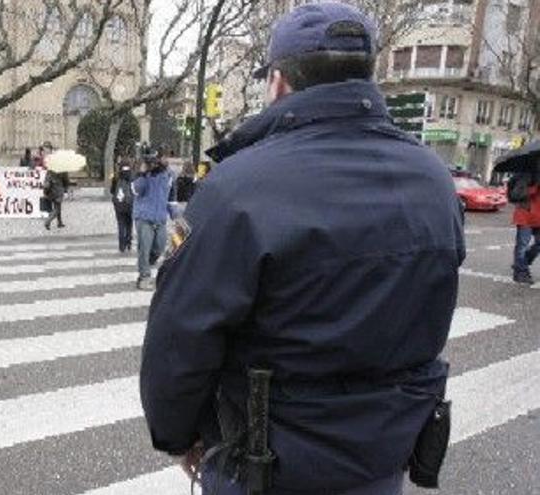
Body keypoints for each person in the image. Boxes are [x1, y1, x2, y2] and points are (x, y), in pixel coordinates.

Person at [140, 4, 464, 495]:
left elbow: (180, 338)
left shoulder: (239, 186)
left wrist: (177, 436)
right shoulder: (436, 181)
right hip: (380, 462)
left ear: (278, 83)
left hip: (265, 466)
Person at [132, 150, 174, 290]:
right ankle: (144, 276)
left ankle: (145, 264)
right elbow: (137, 190)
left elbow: (171, 197)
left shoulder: (168, 175)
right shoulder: (144, 176)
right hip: (144, 217)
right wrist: (143, 174)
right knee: (145, 247)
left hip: (160, 218)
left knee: (159, 247)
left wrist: (176, 214)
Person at [511, 167, 540, 284]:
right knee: (522, 246)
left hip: (538, 216)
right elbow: (516, 194)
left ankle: (521, 263)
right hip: (525, 215)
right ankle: (520, 273)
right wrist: (535, 187)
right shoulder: (524, 175)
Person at [110, 159, 135, 253]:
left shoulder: (116, 176)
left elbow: (112, 191)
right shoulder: (133, 176)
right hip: (130, 204)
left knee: (121, 224)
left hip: (119, 205)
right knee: (129, 224)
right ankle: (129, 243)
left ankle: (121, 246)